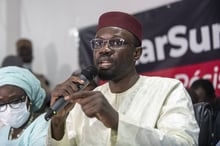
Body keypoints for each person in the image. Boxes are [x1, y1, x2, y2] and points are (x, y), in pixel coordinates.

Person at [49, 11, 199, 146]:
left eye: (116, 42)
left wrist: (117, 122)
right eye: (99, 43)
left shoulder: (168, 90)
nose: (104, 49)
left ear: (136, 53)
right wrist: (58, 120)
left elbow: (184, 143)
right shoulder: (85, 100)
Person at [0, 66, 49, 146]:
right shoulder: (4, 132)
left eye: (15, 101)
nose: (8, 109)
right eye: (1, 104)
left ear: (29, 99)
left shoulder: (44, 123)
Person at [16, 38, 51, 111]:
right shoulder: (12, 77)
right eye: (22, 53)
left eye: (27, 52)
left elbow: (49, 100)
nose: (25, 55)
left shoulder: (41, 79)